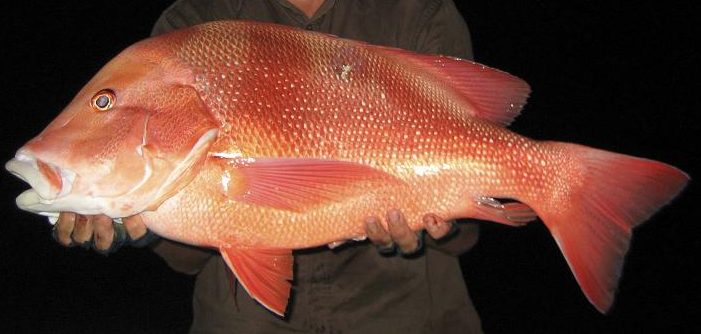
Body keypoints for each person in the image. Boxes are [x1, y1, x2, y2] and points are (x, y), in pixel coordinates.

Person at [54, 1, 483, 333]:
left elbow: (467, 235)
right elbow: (189, 260)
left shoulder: (418, 11)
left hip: (407, 315)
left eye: (105, 102)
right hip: (245, 322)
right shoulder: (192, 21)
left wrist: (442, 224)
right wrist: (139, 223)